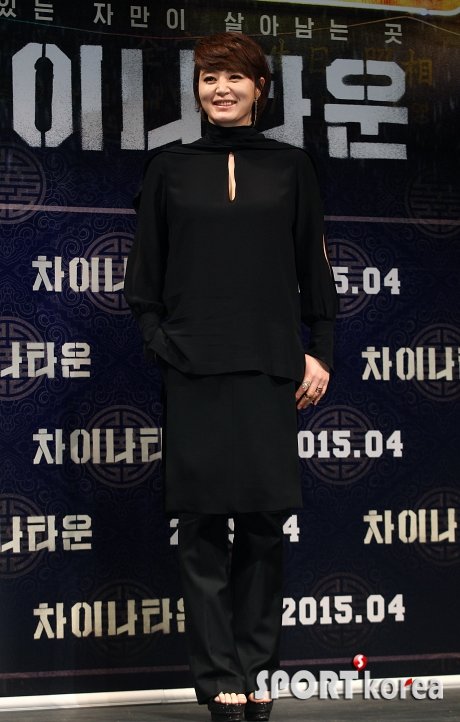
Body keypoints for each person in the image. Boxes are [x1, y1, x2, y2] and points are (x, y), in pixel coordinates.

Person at [124, 32, 338, 722]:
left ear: (259, 89)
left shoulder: (291, 167)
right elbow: (144, 278)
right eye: (209, 77)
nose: (220, 88)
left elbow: (314, 270)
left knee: (265, 529)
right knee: (202, 533)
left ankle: (258, 669)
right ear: (197, 90)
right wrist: (162, 343)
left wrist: (320, 350)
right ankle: (219, 678)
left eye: (234, 77)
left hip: (270, 369)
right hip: (194, 370)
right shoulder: (169, 167)